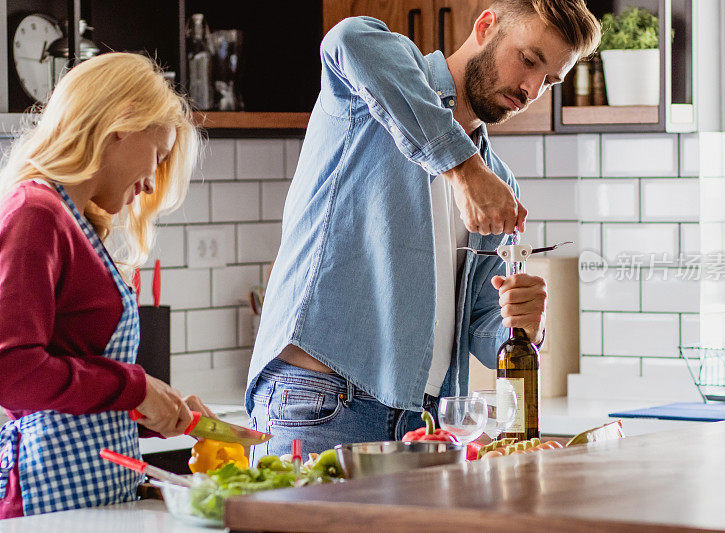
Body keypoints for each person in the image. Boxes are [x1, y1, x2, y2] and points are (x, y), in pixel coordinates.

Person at [247, 0, 600, 458]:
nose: (532, 89)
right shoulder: (371, 94)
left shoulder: (498, 184)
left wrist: (524, 325)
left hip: (429, 422)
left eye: (549, 80)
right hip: (324, 403)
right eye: (529, 60)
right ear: (486, 25)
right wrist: (462, 168)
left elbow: (481, 327)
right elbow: (347, 39)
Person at [0, 52, 211, 518]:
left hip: (89, 499)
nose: (151, 185)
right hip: (45, 504)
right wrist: (135, 390)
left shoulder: (73, 222)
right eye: (156, 156)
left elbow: (78, 381)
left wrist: (164, 409)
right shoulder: (36, 214)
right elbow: (11, 371)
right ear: (121, 124)